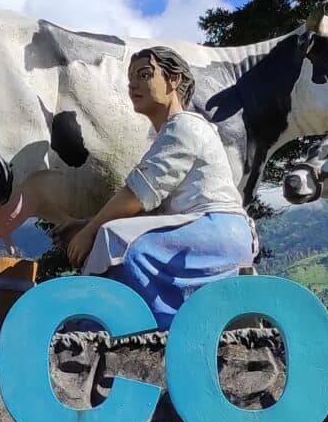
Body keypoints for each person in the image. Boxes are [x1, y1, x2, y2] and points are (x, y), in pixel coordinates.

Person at [55, 47, 253, 328]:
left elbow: (138, 194)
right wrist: (89, 224)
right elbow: (149, 206)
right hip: (204, 228)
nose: (133, 85)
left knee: (124, 243)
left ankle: (141, 325)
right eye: (130, 79)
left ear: (173, 80)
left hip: (214, 229)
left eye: (144, 75)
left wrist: (90, 231)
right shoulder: (171, 133)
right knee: (115, 235)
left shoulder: (184, 127)